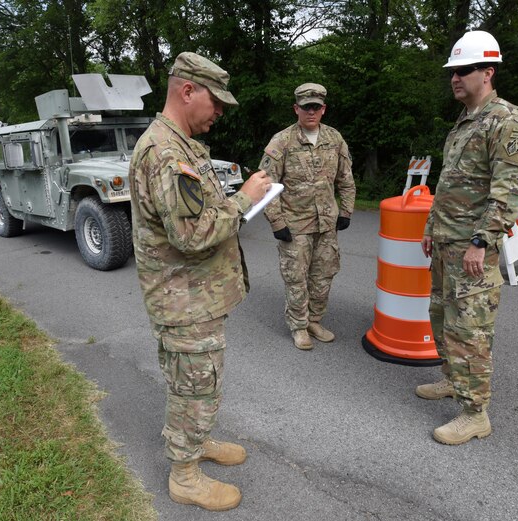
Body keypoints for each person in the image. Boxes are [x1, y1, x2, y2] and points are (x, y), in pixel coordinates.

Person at [128, 52, 271, 511]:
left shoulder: (182, 145)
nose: (221, 113)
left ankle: (197, 440)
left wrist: (235, 202)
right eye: (217, 103)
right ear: (187, 90)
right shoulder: (167, 153)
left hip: (195, 295)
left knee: (195, 382)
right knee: (196, 383)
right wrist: (244, 199)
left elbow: (194, 216)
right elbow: (192, 234)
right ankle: (184, 475)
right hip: (183, 298)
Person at [419, 30, 518, 445]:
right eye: (453, 71)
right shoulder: (467, 120)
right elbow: (450, 183)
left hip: (472, 247)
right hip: (448, 242)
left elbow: (509, 190)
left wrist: (482, 242)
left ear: (488, 72)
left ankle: (474, 413)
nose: (455, 78)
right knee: (443, 317)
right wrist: (432, 228)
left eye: (464, 70)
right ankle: (453, 379)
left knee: (471, 328)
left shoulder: (506, 120)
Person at [258, 83, 356, 350]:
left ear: (323, 109)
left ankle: (314, 320)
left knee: (323, 275)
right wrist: (277, 222)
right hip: (295, 224)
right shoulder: (282, 141)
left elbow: (346, 179)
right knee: (296, 278)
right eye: (305, 107)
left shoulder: (334, 139)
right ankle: (299, 327)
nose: (311, 111)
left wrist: (345, 210)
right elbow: (266, 185)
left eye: (316, 107)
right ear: (296, 109)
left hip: (326, 223)